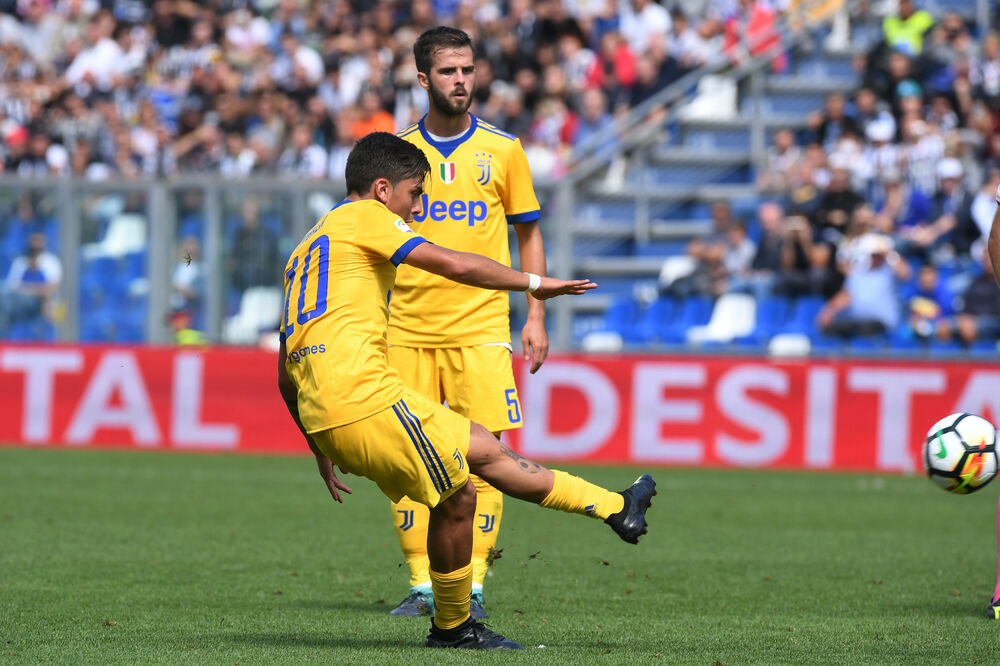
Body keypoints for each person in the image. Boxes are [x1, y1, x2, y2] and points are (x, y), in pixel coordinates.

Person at [277, 131, 656, 649]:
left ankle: (616, 507)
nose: (416, 208)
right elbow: (453, 263)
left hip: (334, 407)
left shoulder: (307, 248)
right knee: (459, 498)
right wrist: (534, 284)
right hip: (365, 399)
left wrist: (317, 443)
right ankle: (453, 627)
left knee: (483, 448)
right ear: (383, 189)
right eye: (414, 195)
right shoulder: (366, 217)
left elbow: (284, 372)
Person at [385, 26, 551, 620]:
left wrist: (535, 312)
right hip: (405, 327)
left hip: (480, 327)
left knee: (483, 459)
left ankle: (472, 585)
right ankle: (422, 584)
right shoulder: (397, 153)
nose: (462, 81)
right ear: (424, 79)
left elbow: (529, 234)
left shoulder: (504, 150)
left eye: (468, 70)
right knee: (412, 459)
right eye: (449, 72)